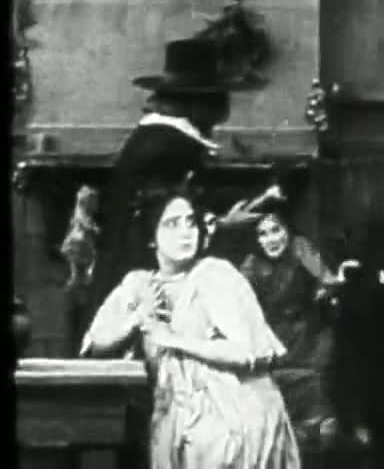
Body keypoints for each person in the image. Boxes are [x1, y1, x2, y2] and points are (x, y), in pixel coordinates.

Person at [81, 183, 301, 469]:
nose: (186, 233)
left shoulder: (216, 274)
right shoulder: (139, 283)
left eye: (190, 223)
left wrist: (171, 339)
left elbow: (250, 352)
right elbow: (95, 345)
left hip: (235, 410)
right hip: (176, 416)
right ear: (151, 238)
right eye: (172, 224)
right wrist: (136, 320)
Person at [81, 37, 263, 352]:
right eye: (219, 98)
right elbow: (162, 220)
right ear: (200, 103)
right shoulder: (170, 148)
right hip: (142, 269)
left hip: (128, 258)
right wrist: (224, 226)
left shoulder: (155, 137)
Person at [238, 209, 338, 448]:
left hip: (308, 338)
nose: (271, 239)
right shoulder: (251, 264)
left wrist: (324, 292)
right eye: (262, 234)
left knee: (318, 413)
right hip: (271, 341)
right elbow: (239, 304)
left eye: (276, 230)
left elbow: (328, 280)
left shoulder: (299, 247)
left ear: (287, 230)